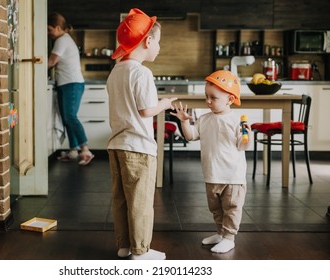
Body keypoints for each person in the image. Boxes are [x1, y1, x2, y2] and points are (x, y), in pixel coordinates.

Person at [106, 8, 177, 260]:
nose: (158, 47)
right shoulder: (142, 73)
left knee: (122, 200)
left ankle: (124, 246)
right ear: (147, 41)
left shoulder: (116, 71)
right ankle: (140, 251)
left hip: (116, 145)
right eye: (158, 42)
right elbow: (147, 110)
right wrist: (166, 103)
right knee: (141, 201)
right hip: (138, 148)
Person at [171, 70, 251, 254]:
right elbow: (191, 136)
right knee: (216, 208)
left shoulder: (235, 121)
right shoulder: (204, 119)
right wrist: (184, 123)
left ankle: (229, 238)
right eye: (206, 96)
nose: (208, 101)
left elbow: (243, 146)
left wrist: (248, 136)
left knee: (231, 208)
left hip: (233, 176)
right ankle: (221, 233)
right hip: (212, 174)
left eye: (213, 98)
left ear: (230, 99)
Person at [47, 12, 94, 166]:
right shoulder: (63, 39)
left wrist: (32, 68)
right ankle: (73, 150)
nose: (49, 33)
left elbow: (51, 61)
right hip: (67, 83)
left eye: (49, 30)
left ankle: (85, 150)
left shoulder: (62, 40)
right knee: (67, 118)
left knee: (70, 117)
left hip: (72, 84)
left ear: (58, 27)